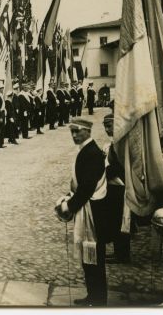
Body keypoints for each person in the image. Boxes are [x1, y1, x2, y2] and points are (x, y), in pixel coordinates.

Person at [57, 118, 109, 306]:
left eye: (77, 131)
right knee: (89, 256)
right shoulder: (86, 150)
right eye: (71, 131)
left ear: (87, 131)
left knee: (93, 255)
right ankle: (93, 295)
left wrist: (69, 206)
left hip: (93, 212)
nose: (74, 135)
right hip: (88, 209)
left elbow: (87, 188)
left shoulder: (92, 153)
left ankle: (98, 298)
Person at [102, 114, 131, 264]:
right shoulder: (112, 144)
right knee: (114, 220)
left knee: (121, 220)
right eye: (105, 127)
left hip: (119, 187)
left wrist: (102, 173)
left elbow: (118, 167)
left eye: (109, 126)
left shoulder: (120, 144)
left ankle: (122, 254)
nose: (107, 129)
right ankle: (119, 252)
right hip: (113, 187)